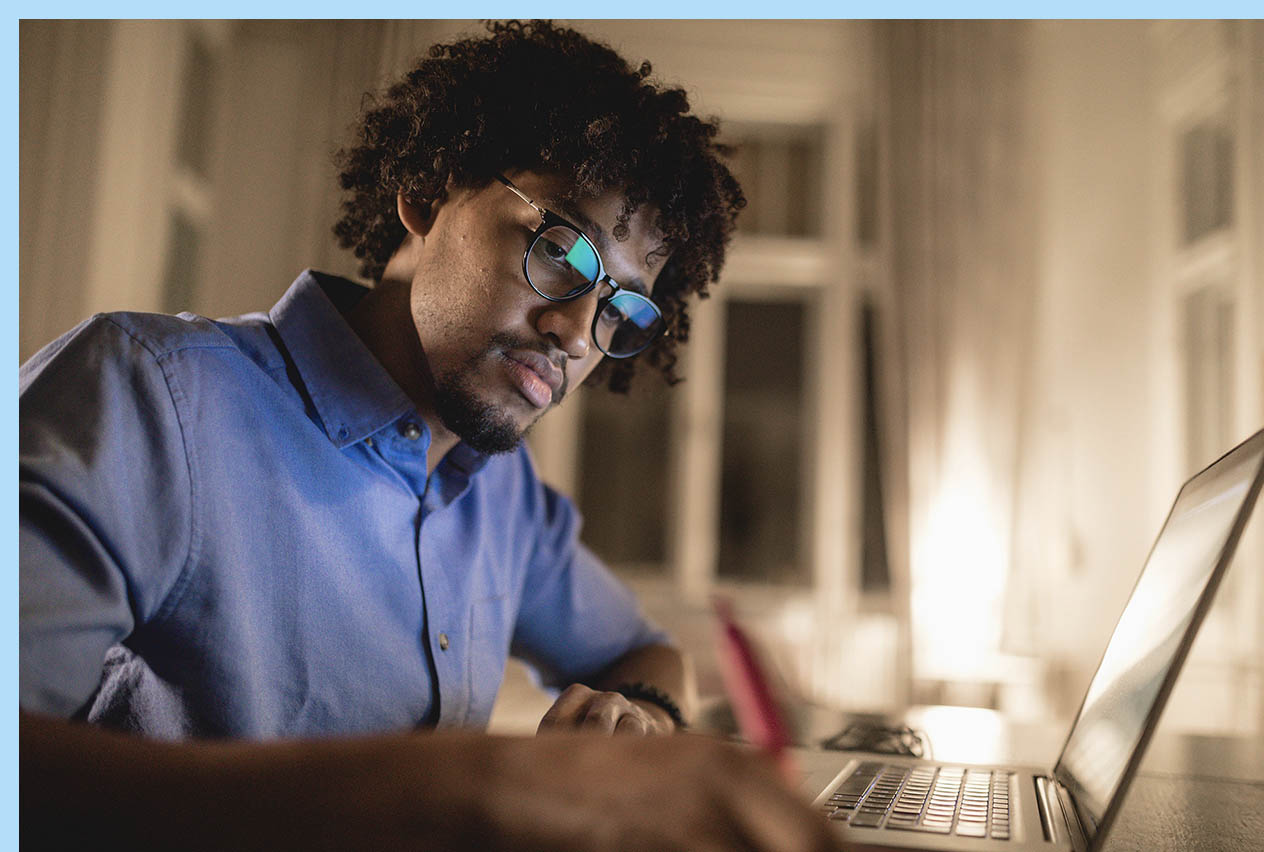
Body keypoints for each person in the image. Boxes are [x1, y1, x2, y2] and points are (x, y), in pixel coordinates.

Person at [20, 20, 839, 852]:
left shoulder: (507, 498)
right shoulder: (148, 395)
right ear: (424, 190)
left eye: (620, 308)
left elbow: (643, 649)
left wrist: (641, 730)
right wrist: (476, 788)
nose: (577, 335)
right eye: (560, 252)